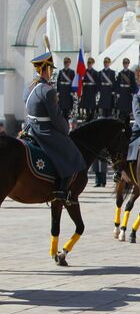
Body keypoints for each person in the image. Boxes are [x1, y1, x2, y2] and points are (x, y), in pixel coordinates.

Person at [23, 51, 86, 202]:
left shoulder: (30, 88)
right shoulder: (48, 91)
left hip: (30, 126)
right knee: (72, 152)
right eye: (51, 69)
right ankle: (62, 189)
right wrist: (66, 129)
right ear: (47, 69)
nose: (52, 73)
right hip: (43, 130)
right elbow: (56, 118)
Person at [116, 58, 137, 123]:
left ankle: (127, 123)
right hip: (122, 92)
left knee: (127, 109)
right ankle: (121, 122)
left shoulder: (131, 73)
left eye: (127, 63)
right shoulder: (120, 73)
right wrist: (118, 92)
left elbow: (133, 83)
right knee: (121, 108)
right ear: (123, 64)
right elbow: (117, 83)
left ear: (128, 64)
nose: (125, 64)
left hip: (128, 92)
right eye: (124, 63)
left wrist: (133, 92)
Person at [80, 57, 99, 122]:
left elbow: (97, 82)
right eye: (88, 63)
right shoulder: (84, 72)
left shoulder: (96, 72)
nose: (89, 64)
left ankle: (92, 116)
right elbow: (82, 81)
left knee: (92, 104)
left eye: (90, 63)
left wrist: (96, 91)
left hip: (92, 90)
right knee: (86, 104)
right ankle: (88, 116)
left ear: (92, 63)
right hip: (86, 89)